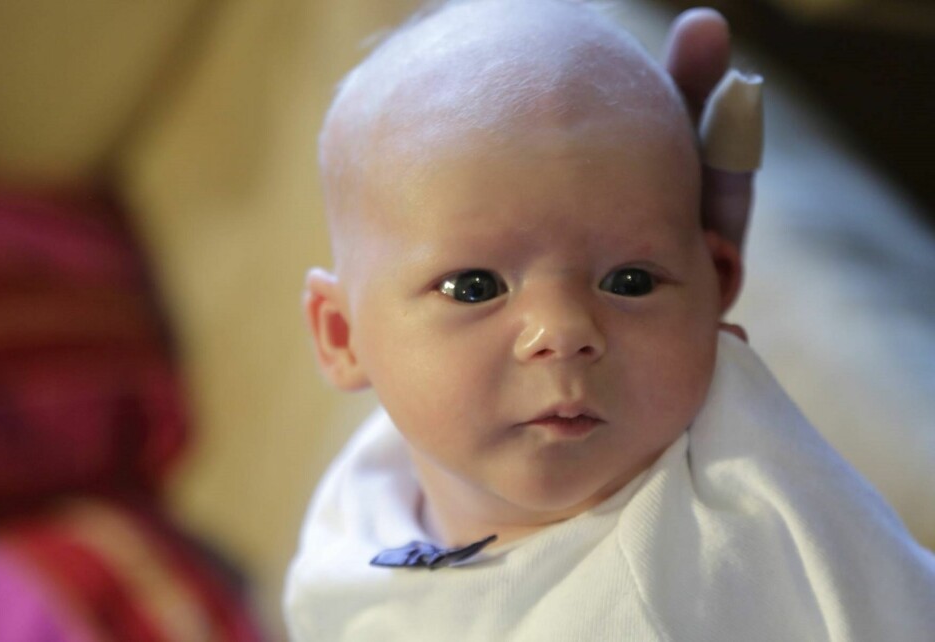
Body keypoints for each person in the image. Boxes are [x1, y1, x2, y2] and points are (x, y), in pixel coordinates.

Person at [284, 1, 935, 640]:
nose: (563, 331)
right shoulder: (366, 495)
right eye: (474, 288)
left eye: (631, 281)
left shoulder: (717, 558)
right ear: (342, 336)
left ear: (715, 287)